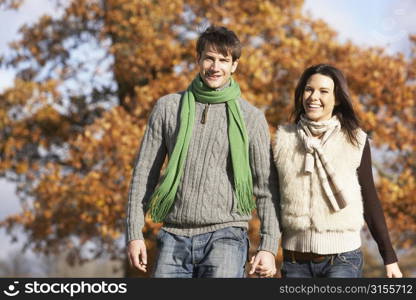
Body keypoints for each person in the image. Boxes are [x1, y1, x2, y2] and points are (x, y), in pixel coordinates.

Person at [126, 25, 280, 278]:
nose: (215, 67)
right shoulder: (167, 108)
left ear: (235, 66)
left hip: (227, 236)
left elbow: (265, 187)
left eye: (223, 60)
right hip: (173, 235)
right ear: (198, 59)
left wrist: (269, 246)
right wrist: (134, 234)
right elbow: (144, 174)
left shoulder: (251, 118)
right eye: (209, 58)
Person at [273, 63, 403, 278]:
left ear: (338, 98)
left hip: (343, 259)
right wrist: (266, 249)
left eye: (323, 91)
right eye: (309, 89)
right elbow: (271, 198)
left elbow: (370, 198)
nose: (314, 97)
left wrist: (389, 257)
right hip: (295, 261)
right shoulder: (282, 139)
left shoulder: (356, 140)